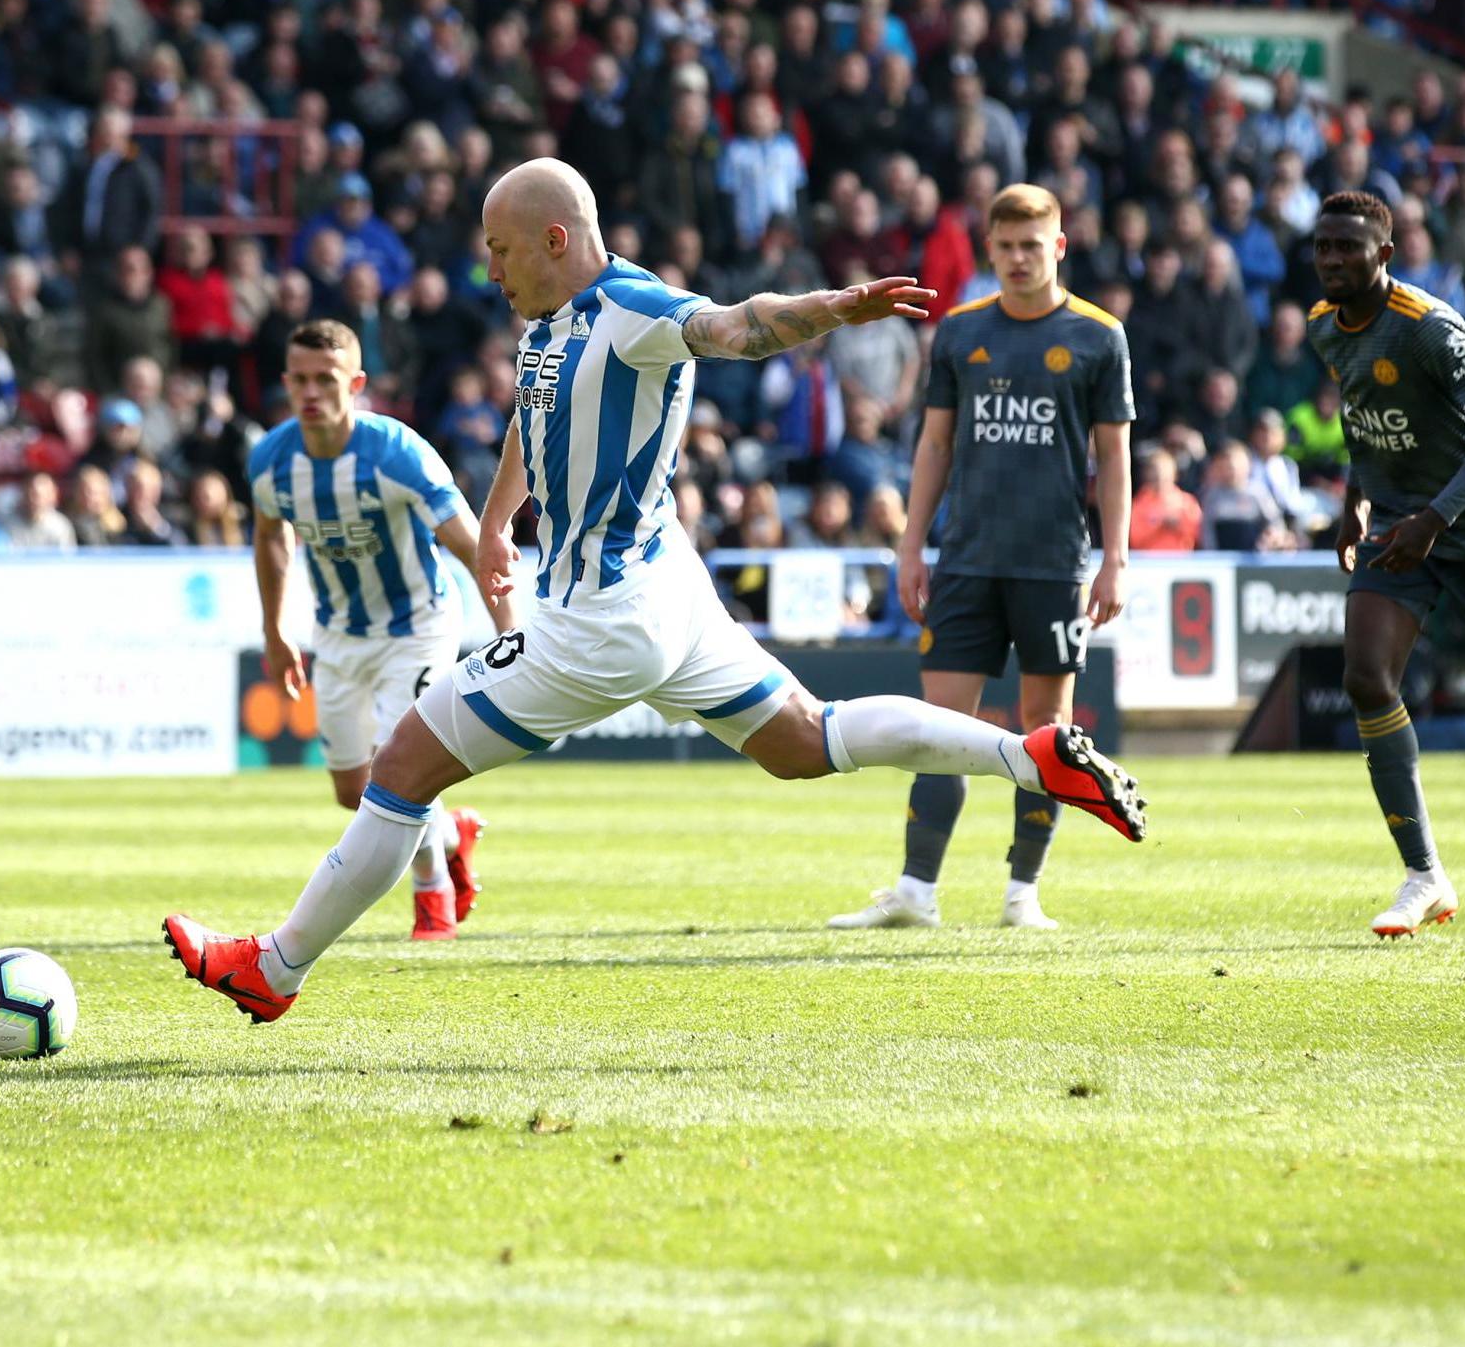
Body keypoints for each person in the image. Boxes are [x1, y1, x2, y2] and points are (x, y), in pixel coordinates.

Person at [165, 159, 1147, 1023]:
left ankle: (276, 966)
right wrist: (500, 517)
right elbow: (531, 420)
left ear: (557, 240)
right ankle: (1030, 757)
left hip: (602, 619)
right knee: (809, 740)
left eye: (501, 250)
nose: (490, 269)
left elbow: (736, 325)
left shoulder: (635, 310)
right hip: (665, 591)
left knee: (404, 761)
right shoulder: (546, 322)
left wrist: (830, 308)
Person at [832, 184, 1134, 933]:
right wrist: (912, 543)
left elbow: (1115, 455)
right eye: (1007, 246)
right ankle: (915, 889)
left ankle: (1022, 891)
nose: (1020, 259)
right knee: (938, 727)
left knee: (1046, 728)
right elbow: (933, 443)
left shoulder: (1100, 337)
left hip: (1054, 563)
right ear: (989, 249)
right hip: (965, 560)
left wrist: (1117, 556)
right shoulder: (961, 333)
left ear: (1059, 246)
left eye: (1035, 245)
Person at [1306, 191, 1465, 936]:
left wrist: (1436, 518)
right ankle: (1423, 874)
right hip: (1400, 531)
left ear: (1385, 254)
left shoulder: (1429, 327)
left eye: (1350, 247)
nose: (1334, 259)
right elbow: (1361, 416)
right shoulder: (1324, 327)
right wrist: (1355, 499)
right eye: (1324, 247)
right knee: (1365, 677)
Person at [250, 319, 515, 943]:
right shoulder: (271, 461)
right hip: (339, 634)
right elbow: (270, 537)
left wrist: (509, 631)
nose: (312, 393)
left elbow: (470, 544)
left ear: (357, 383)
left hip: (418, 626)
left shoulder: (397, 452)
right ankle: (453, 834)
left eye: (327, 380)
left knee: (399, 770)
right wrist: (275, 629)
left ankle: (434, 897)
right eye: (301, 380)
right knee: (354, 794)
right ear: (286, 383)